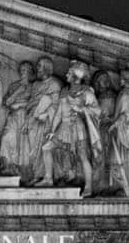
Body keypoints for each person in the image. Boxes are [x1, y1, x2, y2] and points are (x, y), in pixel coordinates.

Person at [35, 60, 101, 197]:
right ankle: (48, 178)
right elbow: (59, 112)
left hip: (78, 128)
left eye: (69, 73)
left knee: (83, 156)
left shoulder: (86, 92)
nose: (66, 75)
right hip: (63, 128)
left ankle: (88, 187)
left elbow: (97, 111)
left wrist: (82, 109)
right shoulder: (65, 91)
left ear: (76, 77)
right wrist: (52, 131)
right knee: (46, 147)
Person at [0, 60, 36, 179]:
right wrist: (18, 90)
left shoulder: (34, 86)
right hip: (13, 117)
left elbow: (35, 103)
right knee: (6, 137)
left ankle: (23, 172)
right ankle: (7, 166)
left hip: (27, 117)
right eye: (21, 70)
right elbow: (7, 102)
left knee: (24, 145)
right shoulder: (14, 85)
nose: (23, 72)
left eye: (25, 70)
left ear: (30, 72)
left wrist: (20, 104)